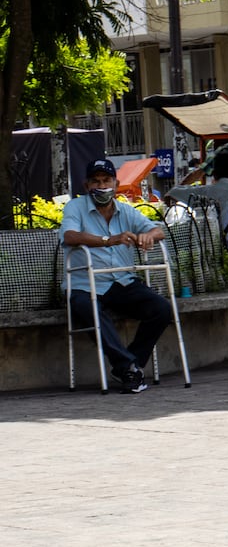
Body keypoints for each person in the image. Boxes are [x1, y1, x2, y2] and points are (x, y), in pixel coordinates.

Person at [61, 158, 173, 393]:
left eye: (106, 180)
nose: (101, 186)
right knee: (87, 308)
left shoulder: (125, 210)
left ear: (116, 183)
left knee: (161, 308)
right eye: (96, 182)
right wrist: (108, 240)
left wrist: (148, 236)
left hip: (122, 281)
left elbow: (158, 230)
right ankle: (128, 368)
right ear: (86, 185)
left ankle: (129, 365)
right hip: (86, 282)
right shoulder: (75, 207)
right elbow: (70, 236)